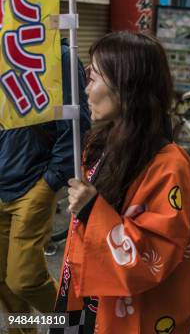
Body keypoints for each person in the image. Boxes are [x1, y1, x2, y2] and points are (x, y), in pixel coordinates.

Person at [52, 32, 190, 333]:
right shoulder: (102, 143)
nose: (86, 88)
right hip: (88, 299)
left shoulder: (170, 166)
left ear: (126, 88)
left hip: (130, 316)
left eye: (94, 76)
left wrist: (91, 210)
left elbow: (153, 257)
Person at [0, 39, 90, 333]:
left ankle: (74, 325)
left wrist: (50, 180)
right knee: (2, 280)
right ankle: (23, 329)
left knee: (24, 278)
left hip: (32, 183)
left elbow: (77, 123)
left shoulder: (59, 55)